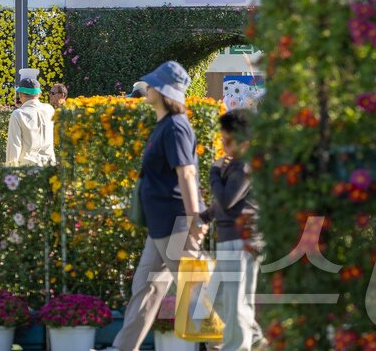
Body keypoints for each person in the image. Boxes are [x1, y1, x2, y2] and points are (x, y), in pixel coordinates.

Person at [111, 61, 205, 351]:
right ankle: (123, 347)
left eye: (153, 84)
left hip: (177, 224)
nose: (147, 87)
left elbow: (186, 174)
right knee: (145, 289)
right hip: (160, 226)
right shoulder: (164, 124)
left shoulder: (176, 127)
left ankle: (227, 346)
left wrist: (195, 220)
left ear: (165, 93)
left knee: (196, 296)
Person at [201, 108, 263, 351]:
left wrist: (214, 173)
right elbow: (227, 204)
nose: (223, 143)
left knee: (235, 301)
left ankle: (238, 346)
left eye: (227, 139)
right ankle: (256, 339)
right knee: (217, 297)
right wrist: (204, 217)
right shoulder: (236, 164)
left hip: (241, 239)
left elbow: (228, 199)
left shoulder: (245, 166)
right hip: (231, 238)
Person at [6, 68, 56, 165]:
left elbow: (14, 146)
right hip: (49, 166)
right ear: (39, 94)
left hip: (28, 169)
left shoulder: (18, 114)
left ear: (20, 94)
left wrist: (11, 171)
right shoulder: (50, 110)